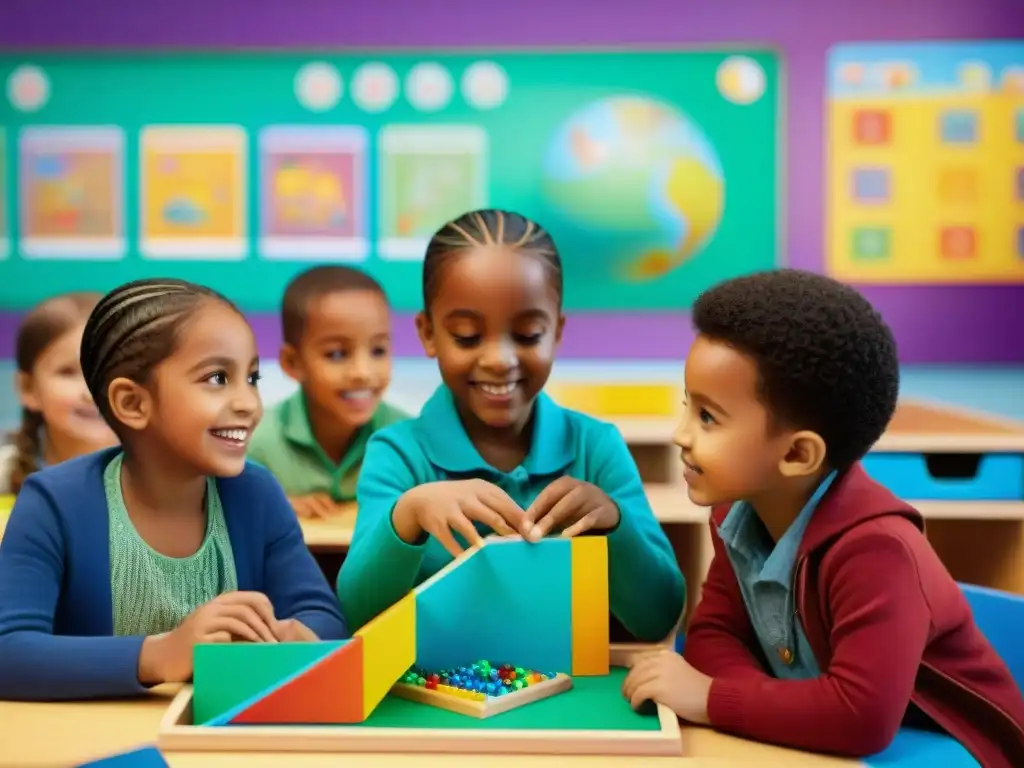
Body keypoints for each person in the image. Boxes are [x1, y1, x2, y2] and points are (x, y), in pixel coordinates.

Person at [621, 269, 1024, 767]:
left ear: (796, 455)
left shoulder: (878, 551)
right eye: (688, 407)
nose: (680, 434)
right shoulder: (737, 514)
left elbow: (860, 718)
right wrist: (772, 704)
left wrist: (711, 698)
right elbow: (713, 634)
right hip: (834, 736)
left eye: (707, 417)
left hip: (948, 745)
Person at [337, 209, 685, 640]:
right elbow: (357, 616)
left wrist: (614, 526)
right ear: (428, 334)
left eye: (527, 335)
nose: (500, 360)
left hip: (565, 696)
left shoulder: (596, 447)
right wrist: (409, 513)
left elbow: (660, 617)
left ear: (556, 332)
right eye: (466, 335)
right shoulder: (397, 454)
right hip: (433, 697)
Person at [0, 278, 348, 702]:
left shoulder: (256, 495)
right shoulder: (53, 503)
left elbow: (325, 617)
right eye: (218, 377)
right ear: (132, 403)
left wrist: (298, 636)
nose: (249, 403)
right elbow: (9, 652)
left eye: (252, 377)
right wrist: (162, 654)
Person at [247, 266, 408, 519]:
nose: (363, 372)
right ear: (292, 363)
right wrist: (269, 507)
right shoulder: (255, 444)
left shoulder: (408, 440)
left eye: (378, 351)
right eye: (336, 354)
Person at [0, 292, 117, 494]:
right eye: (68, 372)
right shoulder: (5, 477)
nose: (91, 393)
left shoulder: (174, 480)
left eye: (108, 369)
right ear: (28, 388)